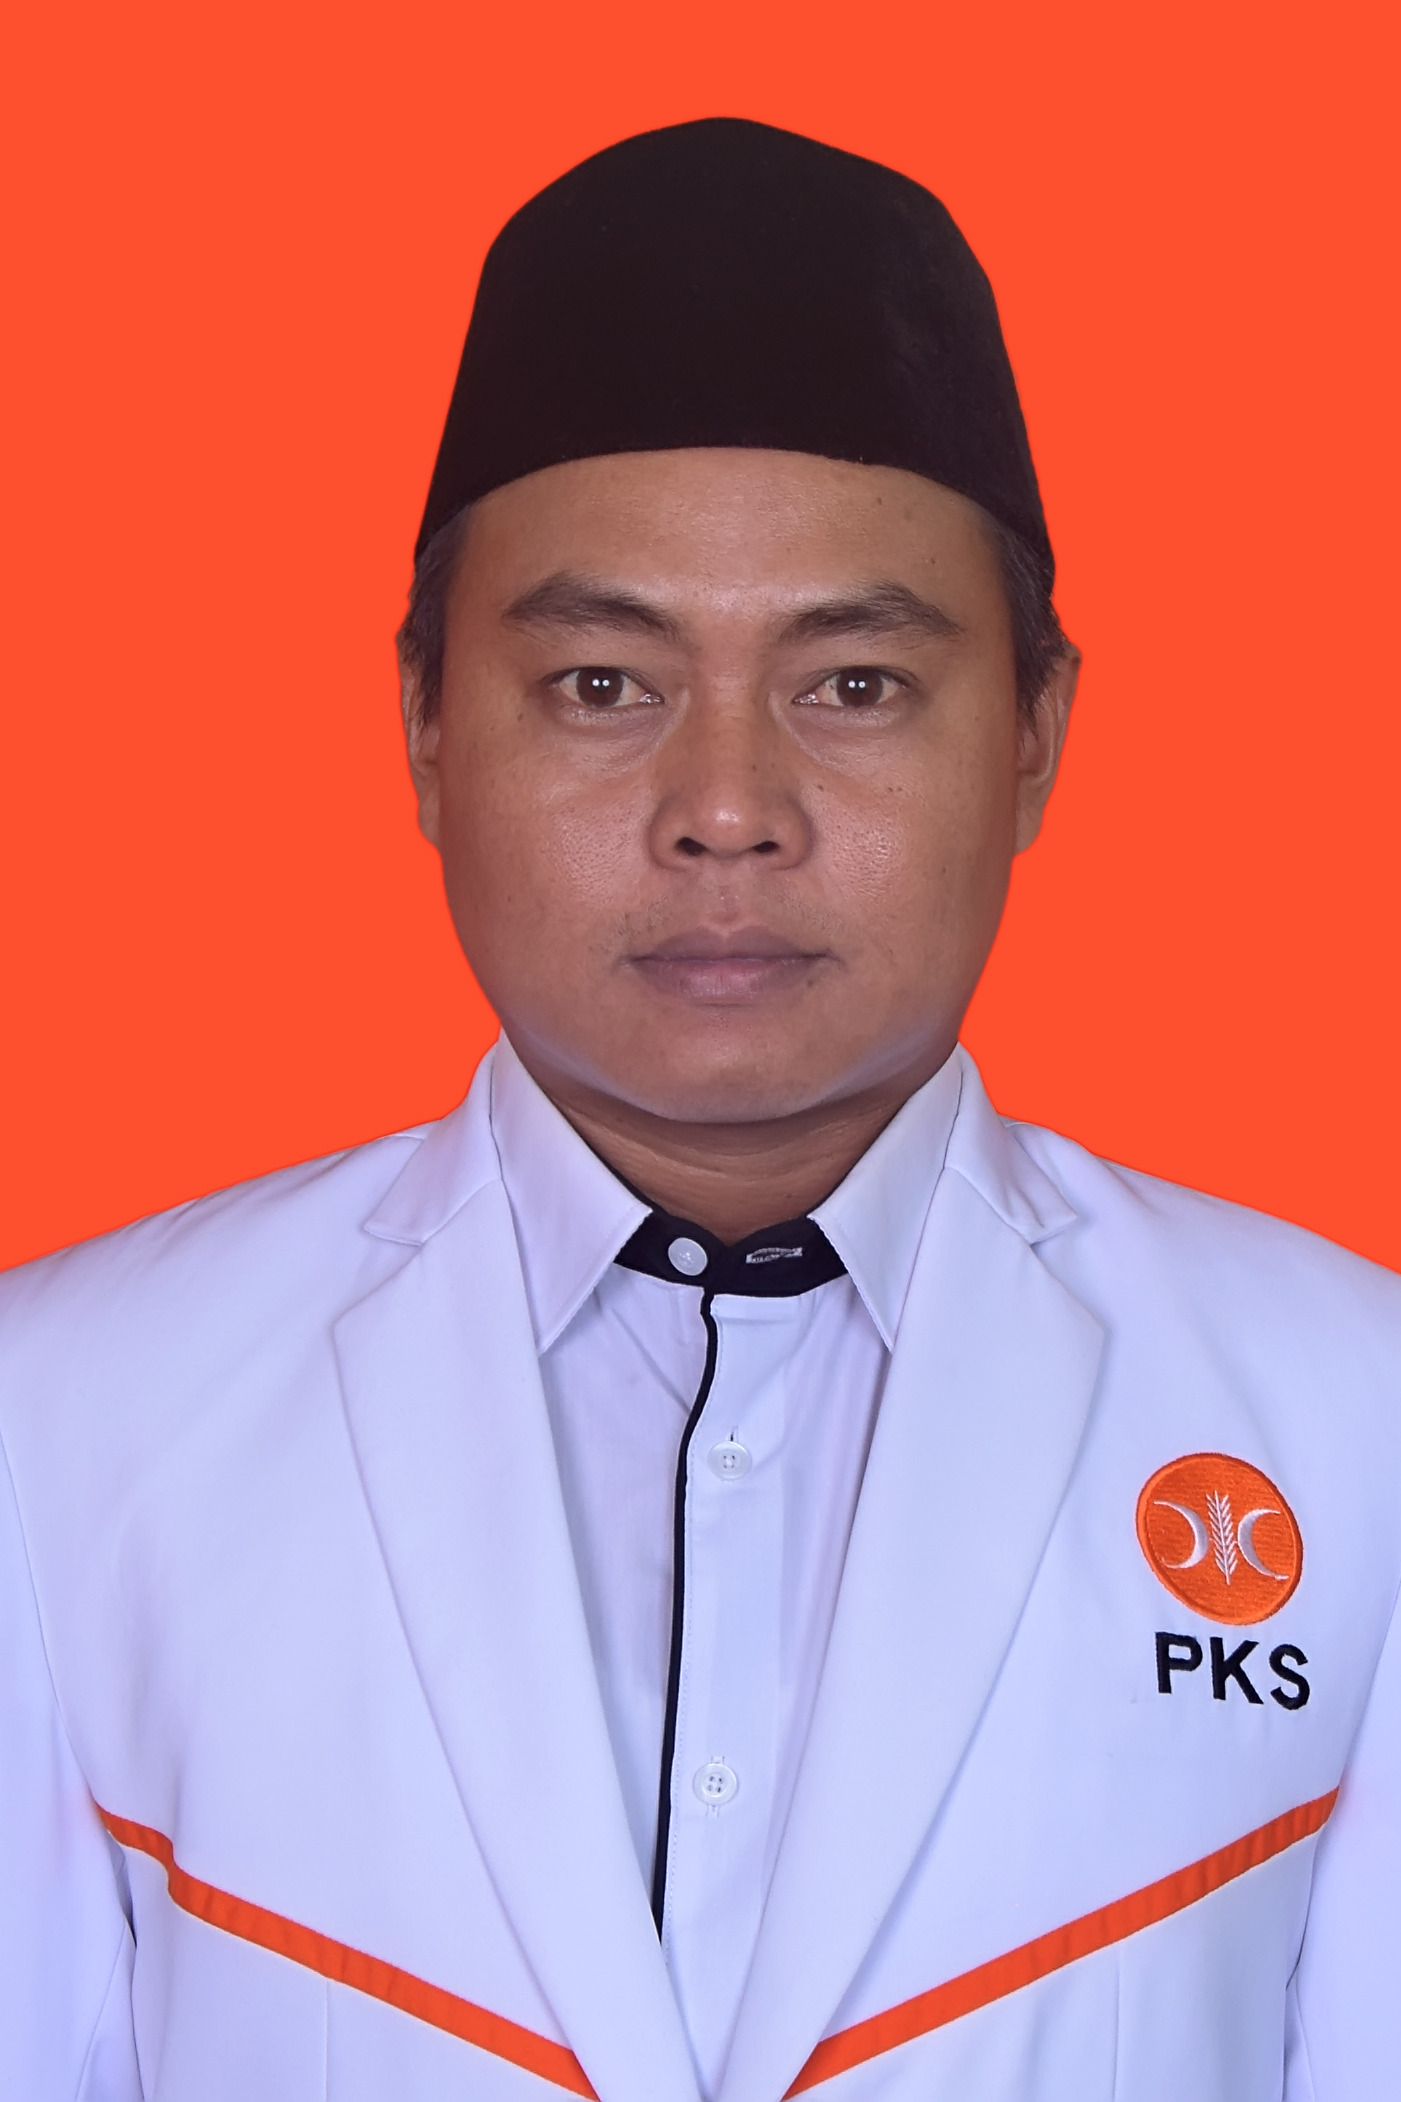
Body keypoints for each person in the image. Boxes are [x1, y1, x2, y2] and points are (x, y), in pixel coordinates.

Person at [0, 116, 1396, 2102]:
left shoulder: (1349, 1422)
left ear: (1032, 733)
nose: (723, 807)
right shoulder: (64, 1420)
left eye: (852, 685)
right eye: (600, 683)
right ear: (423, 726)